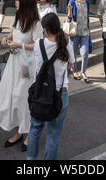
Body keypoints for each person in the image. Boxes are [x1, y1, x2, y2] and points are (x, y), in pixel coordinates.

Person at [0, 0, 42, 152]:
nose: (16, 3)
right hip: (14, 62)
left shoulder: (36, 22)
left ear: (26, 3)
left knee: (23, 97)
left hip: (27, 63)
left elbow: (39, 45)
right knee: (12, 96)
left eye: (19, 1)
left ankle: (28, 134)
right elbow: (13, 33)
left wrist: (19, 46)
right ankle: (18, 131)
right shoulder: (18, 17)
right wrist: (7, 38)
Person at [27, 12, 74, 160]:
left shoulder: (39, 44)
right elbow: (70, 65)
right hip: (60, 94)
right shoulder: (67, 44)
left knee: (35, 128)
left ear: (45, 30)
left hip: (40, 93)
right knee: (54, 134)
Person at [67, 0, 91, 83]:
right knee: (73, 53)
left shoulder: (87, 2)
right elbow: (69, 17)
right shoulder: (72, 1)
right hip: (75, 32)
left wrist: (89, 30)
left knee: (85, 53)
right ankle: (74, 71)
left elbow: (87, 17)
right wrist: (70, 10)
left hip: (84, 31)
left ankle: (83, 71)